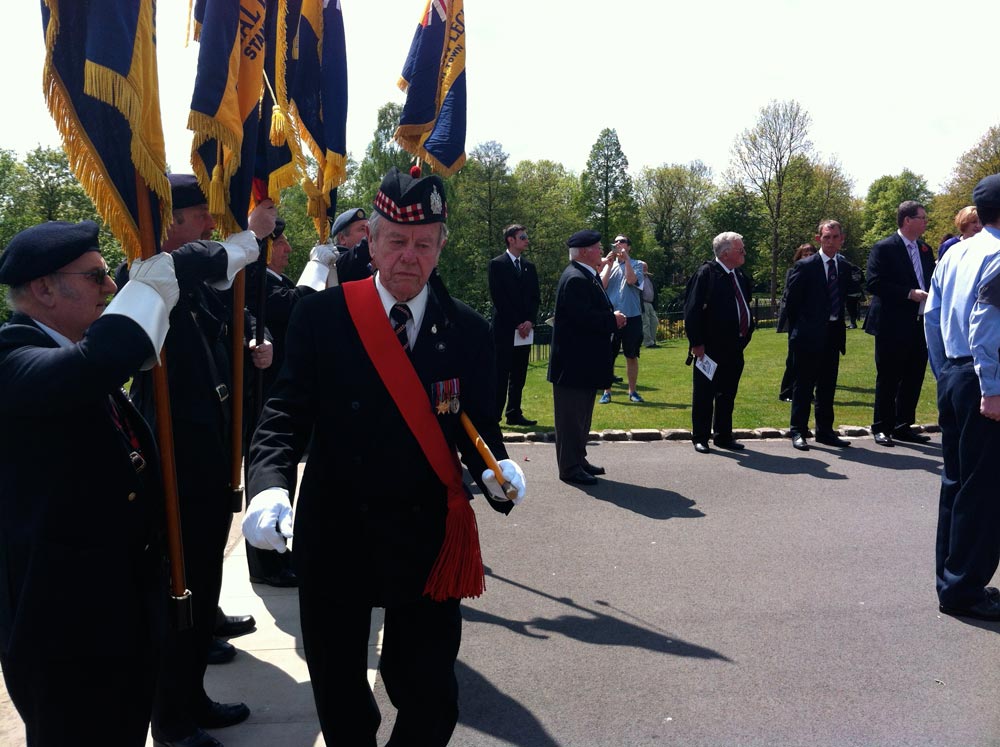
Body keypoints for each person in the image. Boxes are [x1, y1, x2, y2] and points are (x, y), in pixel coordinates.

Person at [243, 167, 526, 747]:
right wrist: (268, 483)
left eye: (424, 243)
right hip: (337, 530)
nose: (409, 256)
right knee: (343, 700)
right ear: (370, 242)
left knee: (430, 696)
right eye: (396, 240)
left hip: (424, 536)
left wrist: (497, 468)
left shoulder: (468, 330)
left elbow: (477, 423)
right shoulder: (322, 317)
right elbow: (285, 414)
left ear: (441, 246)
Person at [0, 221, 180, 745]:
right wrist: (145, 297)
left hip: (114, 620)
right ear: (43, 289)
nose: (109, 288)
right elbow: (95, 363)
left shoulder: (70, 349)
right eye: (97, 276)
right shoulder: (12, 355)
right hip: (63, 636)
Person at [123, 174, 275, 747]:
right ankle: (173, 718)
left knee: (204, 573)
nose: (211, 223)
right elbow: (199, 261)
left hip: (207, 451)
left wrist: (251, 346)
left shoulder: (186, 281)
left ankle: (193, 697)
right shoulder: (143, 276)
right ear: (169, 224)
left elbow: (220, 310)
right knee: (176, 589)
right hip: (176, 461)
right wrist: (248, 237)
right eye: (200, 215)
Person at [924, 173, 1000, 621]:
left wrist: (944, 371)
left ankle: (952, 581)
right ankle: (965, 590)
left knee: (956, 483)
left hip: (954, 372)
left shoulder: (956, 252)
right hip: (982, 378)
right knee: (983, 488)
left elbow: (931, 316)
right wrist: (991, 388)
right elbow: (986, 323)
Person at [548, 230, 626, 484]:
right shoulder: (576, 278)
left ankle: (578, 460)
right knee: (571, 419)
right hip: (573, 365)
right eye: (596, 247)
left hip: (582, 363)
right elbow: (580, 320)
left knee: (581, 418)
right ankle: (569, 468)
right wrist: (611, 320)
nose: (601, 250)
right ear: (583, 252)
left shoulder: (585, 275)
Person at [864, 200, 936, 446]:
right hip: (891, 324)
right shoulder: (884, 248)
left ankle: (903, 424)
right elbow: (873, 283)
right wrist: (908, 293)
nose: (926, 222)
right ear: (907, 220)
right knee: (889, 376)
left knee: (914, 375)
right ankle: (881, 426)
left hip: (919, 322)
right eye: (922, 218)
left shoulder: (925, 250)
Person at [785, 221, 855, 450]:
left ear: (842, 239)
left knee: (827, 386)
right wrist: (799, 330)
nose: (831, 241)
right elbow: (791, 302)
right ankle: (798, 430)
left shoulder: (844, 267)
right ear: (819, 239)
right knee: (803, 385)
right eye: (827, 237)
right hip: (807, 335)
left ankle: (825, 431)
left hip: (833, 334)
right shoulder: (805, 266)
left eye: (835, 237)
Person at [683, 232, 755, 454]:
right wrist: (697, 343)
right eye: (740, 249)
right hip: (709, 347)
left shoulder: (739, 275)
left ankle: (723, 435)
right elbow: (692, 310)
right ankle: (700, 437)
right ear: (725, 254)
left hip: (734, 346)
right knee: (704, 394)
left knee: (727, 393)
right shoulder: (706, 273)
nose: (744, 253)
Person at [488, 224, 540, 426]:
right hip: (504, 329)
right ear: (511, 239)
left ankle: (514, 412)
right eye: (523, 237)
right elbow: (498, 298)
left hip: (525, 331)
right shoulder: (497, 264)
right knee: (501, 373)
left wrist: (529, 321)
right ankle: (494, 416)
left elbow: (535, 297)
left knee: (519, 373)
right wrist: (517, 322)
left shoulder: (529, 267)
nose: (527, 240)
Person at [598, 235, 646, 404]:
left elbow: (632, 280)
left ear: (629, 247)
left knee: (631, 355)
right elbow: (602, 286)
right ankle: (607, 392)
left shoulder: (638, 265)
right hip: (611, 317)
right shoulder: (607, 265)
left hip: (632, 316)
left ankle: (632, 391)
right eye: (616, 242)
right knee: (607, 355)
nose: (618, 244)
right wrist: (608, 265)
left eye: (622, 242)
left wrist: (626, 261)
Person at [777, 243, 816, 402]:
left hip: (814, 322)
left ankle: (807, 392)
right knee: (793, 358)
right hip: (798, 321)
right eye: (804, 254)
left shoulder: (820, 272)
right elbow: (789, 296)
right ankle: (787, 391)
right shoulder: (794, 271)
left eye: (811, 254)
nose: (808, 257)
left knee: (812, 360)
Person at [640, 262, 659, 348]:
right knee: (646, 323)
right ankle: (648, 342)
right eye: (643, 267)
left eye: (646, 267)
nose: (645, 269)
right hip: (643, 302)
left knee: (654, 321)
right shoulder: (639, 278)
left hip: (650, 303)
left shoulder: (649, 278)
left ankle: (652, 340)